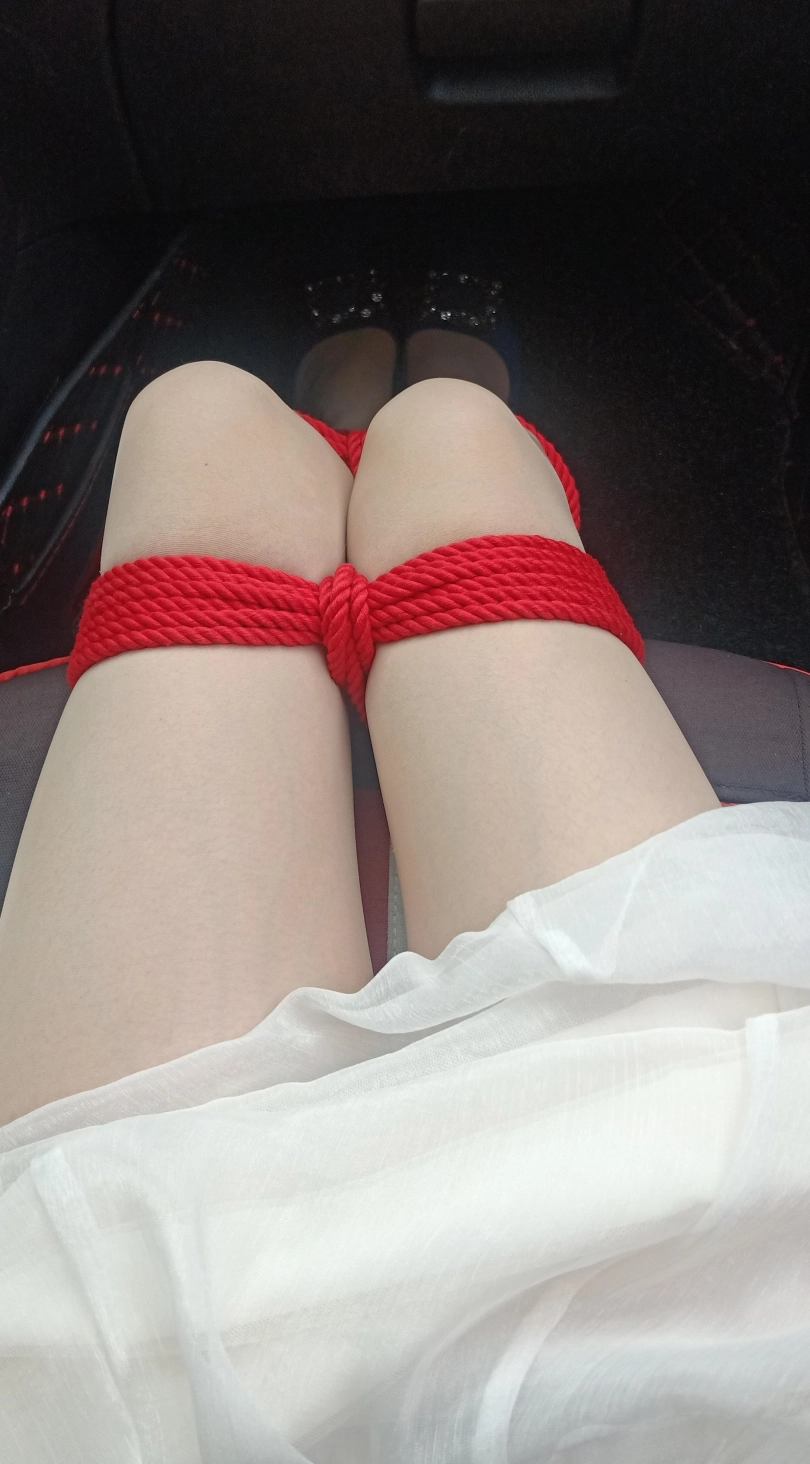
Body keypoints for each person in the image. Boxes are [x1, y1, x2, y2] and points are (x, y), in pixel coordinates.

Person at [0, 290, 808, 1462]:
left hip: (138, 1315)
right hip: (706, 1241)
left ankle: (351, 413)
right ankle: (413, 411)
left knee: (197, 419)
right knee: (441, 436)